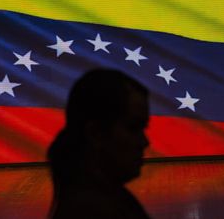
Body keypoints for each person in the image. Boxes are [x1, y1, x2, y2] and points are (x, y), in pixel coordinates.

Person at [47, 69, 150, 219]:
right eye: (133, 128)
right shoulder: (93, 209)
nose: (145, 142)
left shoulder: (103, 198)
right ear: (96, 133)